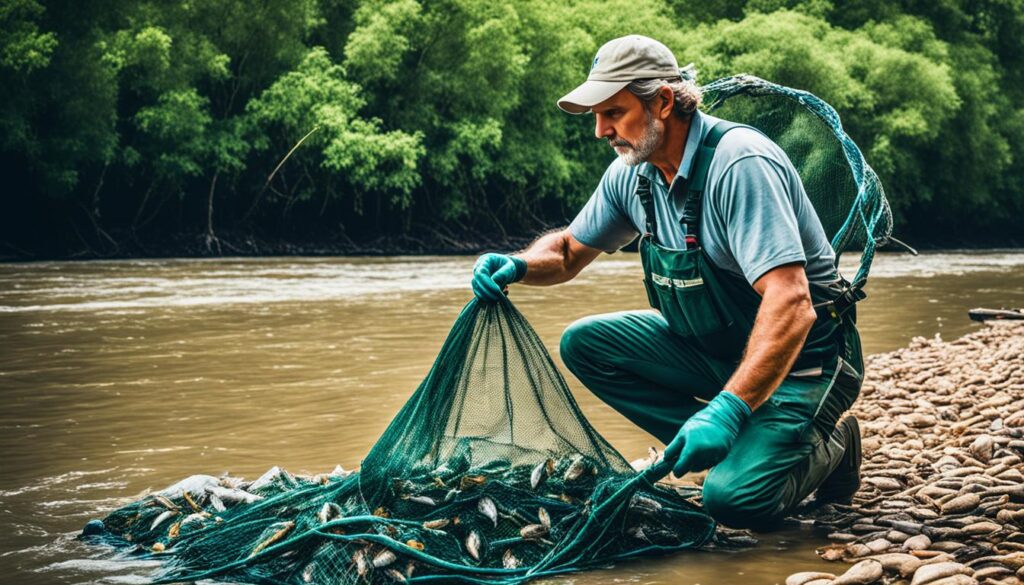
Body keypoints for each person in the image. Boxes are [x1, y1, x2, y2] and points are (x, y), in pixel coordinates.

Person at [470, 35, 865, 530]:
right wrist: (518, 265)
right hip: (718, 348)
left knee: (734, 502)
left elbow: (792, 302)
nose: (600, 130)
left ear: (661, 102)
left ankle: (832, 447)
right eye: (597, 115)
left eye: (612, 112)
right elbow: (569, 251)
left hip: (807, 361)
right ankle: (739, 442)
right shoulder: (633, 174)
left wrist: (726, 409)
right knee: (586, 344)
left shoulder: (739, 164)